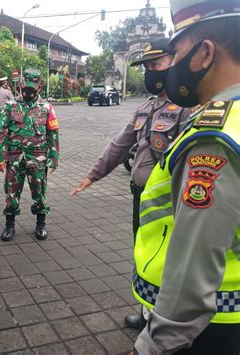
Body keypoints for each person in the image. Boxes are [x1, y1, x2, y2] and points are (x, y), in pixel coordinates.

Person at [130, 1, 240, 354]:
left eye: (175, 53)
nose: (170, 67)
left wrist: (151, 346)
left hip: (213, 327)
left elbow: (194, 265)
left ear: (205, 53)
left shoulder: (214, 137)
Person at [70, 38, 192, 330]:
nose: (151, 72)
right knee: (144, 253)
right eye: (147, 66)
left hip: (171, 201)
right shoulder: (146, 108)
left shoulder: (189, 107)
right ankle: (148, 312)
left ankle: (168, 321)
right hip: (141, 196)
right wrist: (92, 175)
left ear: (175, 63)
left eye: (156, 64)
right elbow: (119, 144)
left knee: (168, 260)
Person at [0, 68, 60, 242]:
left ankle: (41, 225)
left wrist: (53, 158)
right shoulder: (10, 106)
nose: (28, 91)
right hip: (15, 158)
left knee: (39, 193)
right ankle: (9, 226)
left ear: (39, 86)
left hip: (37, 159)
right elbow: (2, 132)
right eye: (26, 88)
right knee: (11, 194)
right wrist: (0, 157)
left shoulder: (46, 107)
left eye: (32, 88)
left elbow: (52, 134)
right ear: (22, 84)